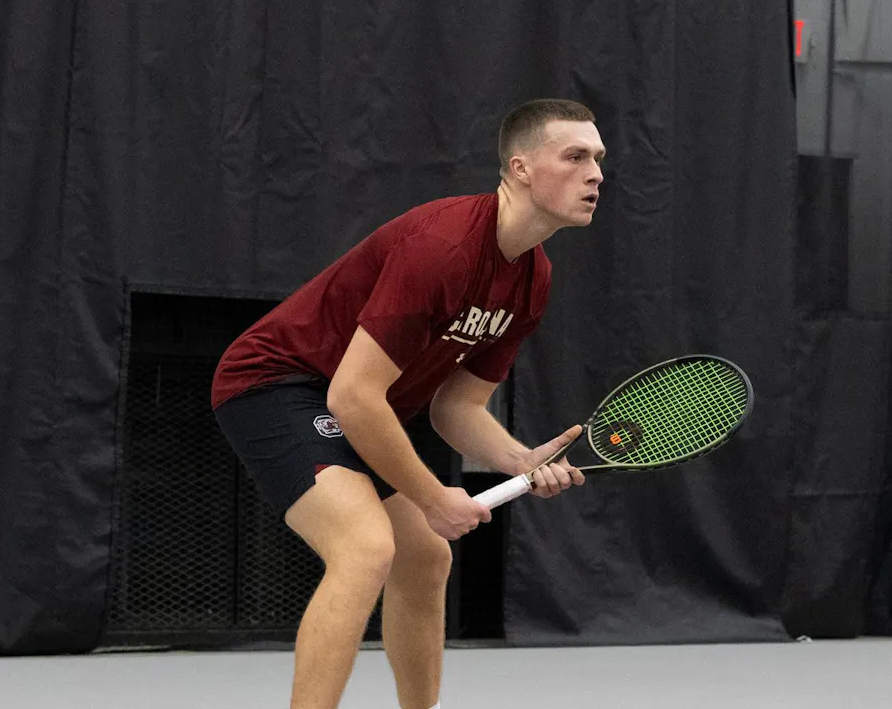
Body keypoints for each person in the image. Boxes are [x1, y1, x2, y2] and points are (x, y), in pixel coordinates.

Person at [210, 98, 605, 709]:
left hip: (358, 401)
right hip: (277, 382)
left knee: (424, 558)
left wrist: (520, 458)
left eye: (599, 159)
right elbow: (351, 395)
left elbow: (457, 409)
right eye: (575, 156)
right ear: (520, 167)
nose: (596, 173)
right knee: (366, 548)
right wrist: (431, 497)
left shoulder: (533, 279)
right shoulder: (444, 245)